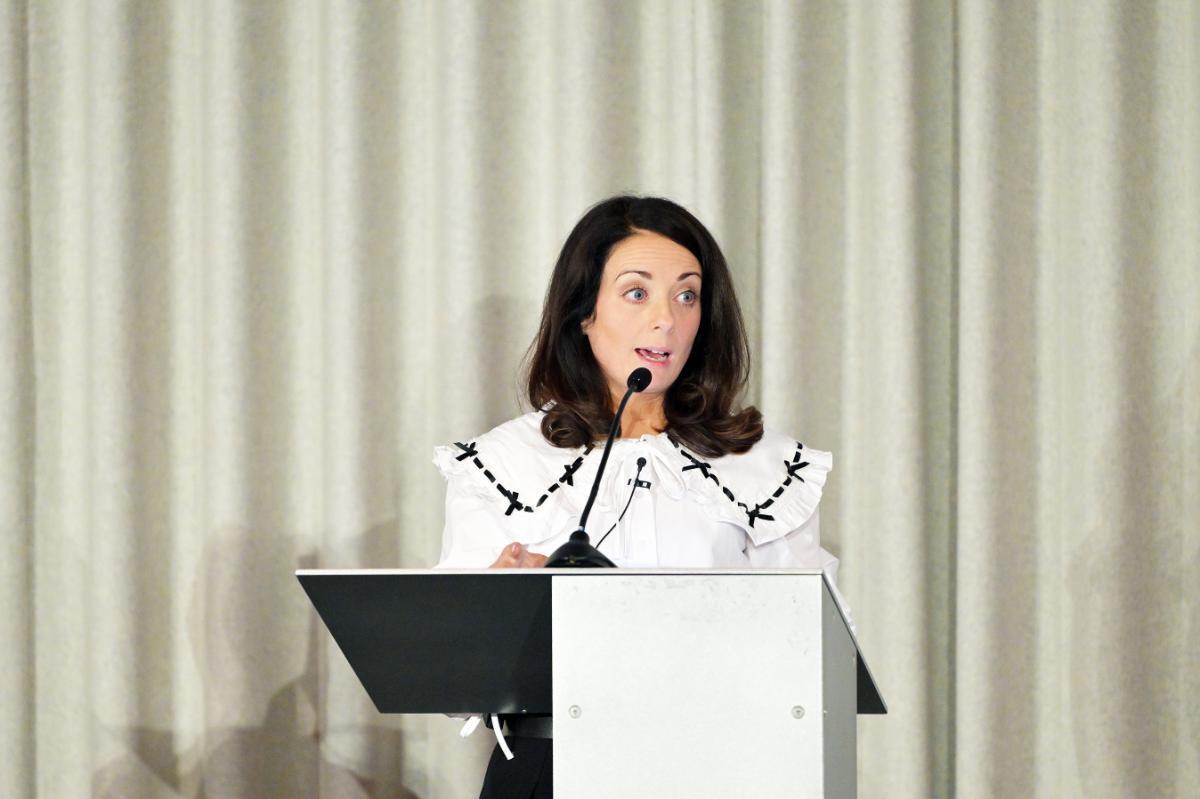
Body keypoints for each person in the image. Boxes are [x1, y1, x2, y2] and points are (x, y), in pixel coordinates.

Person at [432, 195, 851, 799]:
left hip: (717, 770)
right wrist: (492, 610)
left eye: (687, 296)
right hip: (548, 771)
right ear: (583, 313)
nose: (666, 320)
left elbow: (822, 654)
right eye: (636, 293)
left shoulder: (762, 467)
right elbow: (452, 686)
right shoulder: (502, 463)